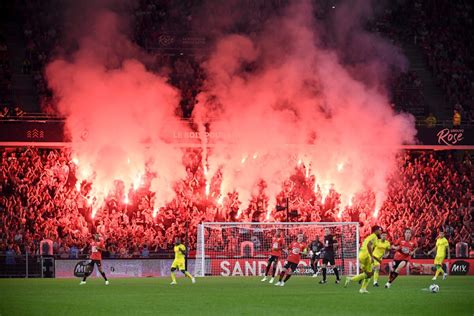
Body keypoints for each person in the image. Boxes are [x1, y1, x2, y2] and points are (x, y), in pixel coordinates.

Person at [344, 225, 382, 294]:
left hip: (362, 254)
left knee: (368, 274)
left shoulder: (370, 237)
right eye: (379, 230)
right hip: (366, 256)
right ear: (376, 231)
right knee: (369, 273)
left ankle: (363, 289)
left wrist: (376, 258)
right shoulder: (374, 237)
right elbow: (368, 245)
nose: (380, 232)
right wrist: (372, 257)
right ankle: (351, 279)